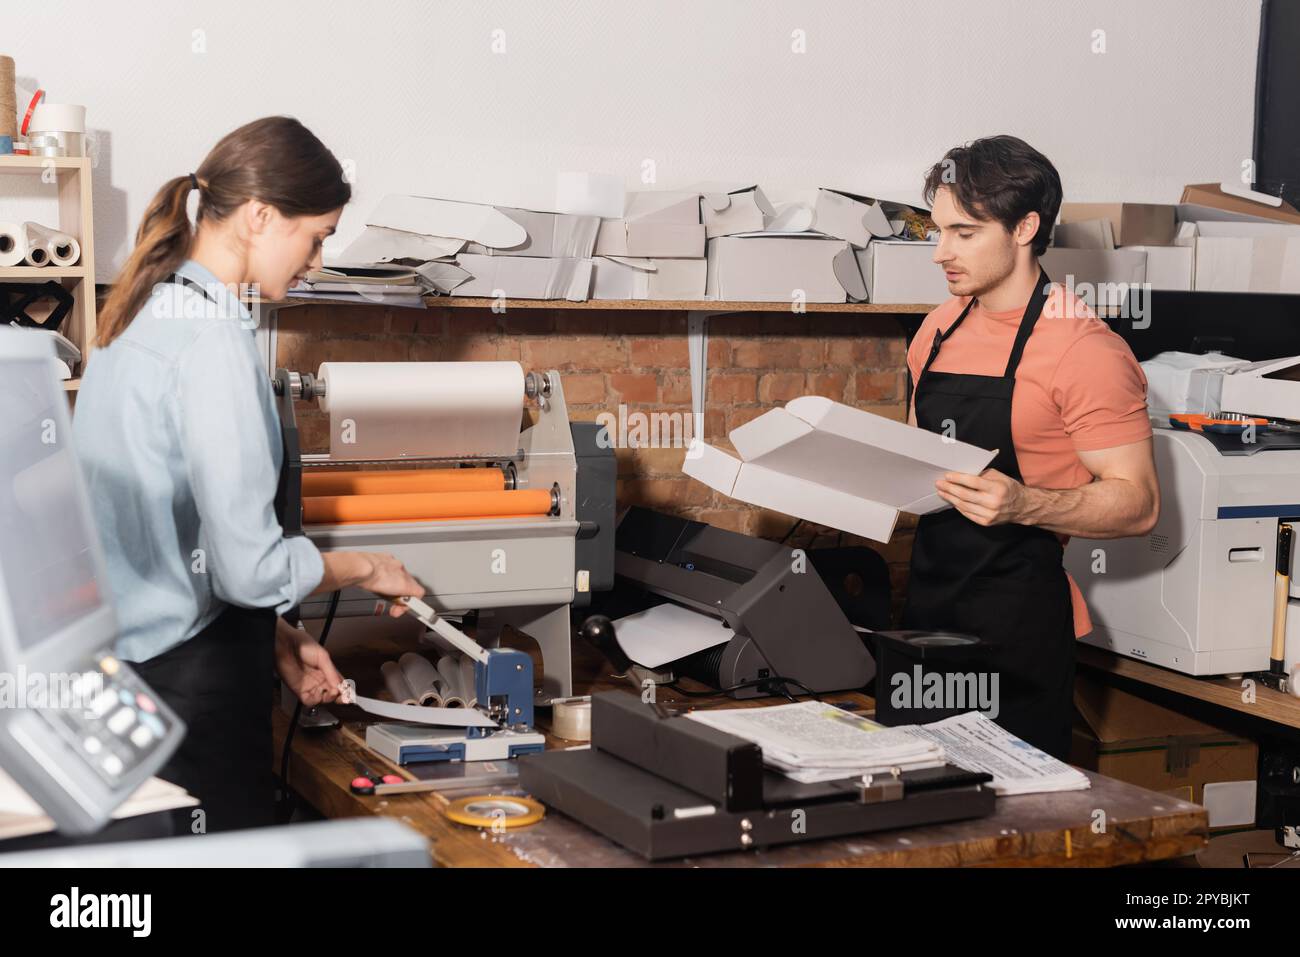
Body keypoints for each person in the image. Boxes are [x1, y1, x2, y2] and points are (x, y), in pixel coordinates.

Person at [73, 116, 424, 831]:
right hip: (190, 701)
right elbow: (246, 571)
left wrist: (278, 639)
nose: (316, 261)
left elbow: (161, 544)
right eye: (317, 236)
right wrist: (366, 566)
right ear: (261, 216)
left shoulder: (135, 311)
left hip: (125, 683)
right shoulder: (212, 341)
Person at [901, 135, 1159, 760]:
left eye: (964, 234)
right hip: (924, 616)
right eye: (937, 232)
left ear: (1026, 228)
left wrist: (1023, 504)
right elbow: (915, 466)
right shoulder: (938, 328)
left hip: (1017, 629)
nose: (941, 254)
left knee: (1012, 832)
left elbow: (1139, 504)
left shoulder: (1083, 349)